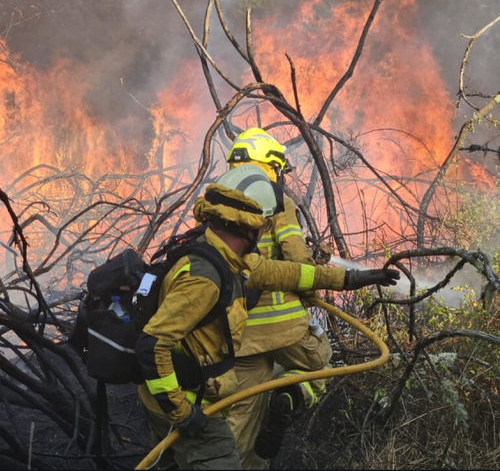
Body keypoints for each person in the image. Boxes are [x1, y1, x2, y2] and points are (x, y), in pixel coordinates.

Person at [135, 164, 400, 470]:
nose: (263, 232)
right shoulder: (204, 278)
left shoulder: (223, 255)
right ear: (247, 227)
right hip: (187, 404)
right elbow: (152, 345)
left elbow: (285, 272)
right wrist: (182, 412)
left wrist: (351, 279)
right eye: (261, 226)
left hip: (168, 400)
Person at [224, 128, 346, 468]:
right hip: (279, 329)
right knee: (321, 360)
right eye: (276, 168)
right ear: (267, 166)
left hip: (236, 337)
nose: (278, 176)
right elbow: (296, 259)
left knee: (241, 423)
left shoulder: (219, 204)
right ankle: (290, 397)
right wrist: (312, 283)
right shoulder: (277, 204)